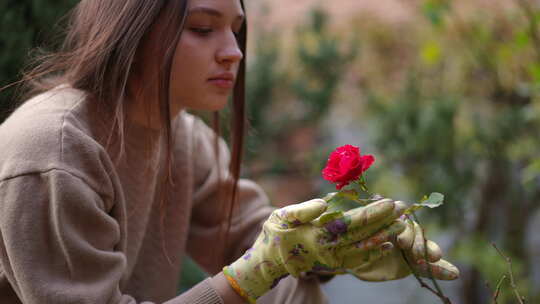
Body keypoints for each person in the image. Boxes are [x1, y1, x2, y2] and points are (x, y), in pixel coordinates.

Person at [0, 0, 458, 303]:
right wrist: (249, 277)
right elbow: (260, 263)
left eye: (236, 31)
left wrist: (334, 245)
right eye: (202, 28)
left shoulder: (183, 136)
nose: (234, 52)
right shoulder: (52, 155)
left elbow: (257, 239)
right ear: (129, 30)